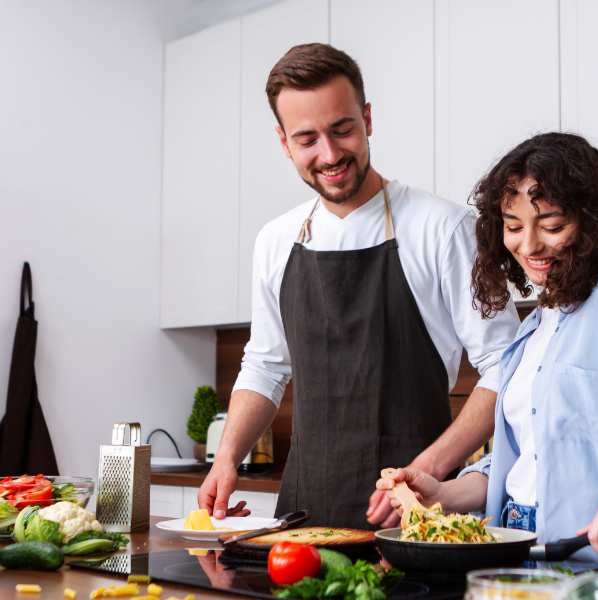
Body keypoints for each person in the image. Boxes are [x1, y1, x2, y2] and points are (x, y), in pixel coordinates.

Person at [376, 132, 598, 572]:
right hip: (519, 552)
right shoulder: (535, 325)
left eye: (551, 226)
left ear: (591, 221)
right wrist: (445, 493)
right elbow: (533, 456)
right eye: (513, 227)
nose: (528, 246)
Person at [197, 43, 520, 529]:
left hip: (417, 516)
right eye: (307, 139)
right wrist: (226, 459)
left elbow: (507, 366)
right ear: (283, 142)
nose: (329, 154)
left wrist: (427, 469)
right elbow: (265, 365)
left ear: (367, 118)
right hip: (303, 520)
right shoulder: (275, 240)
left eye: (342, 129)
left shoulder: (447, 229)